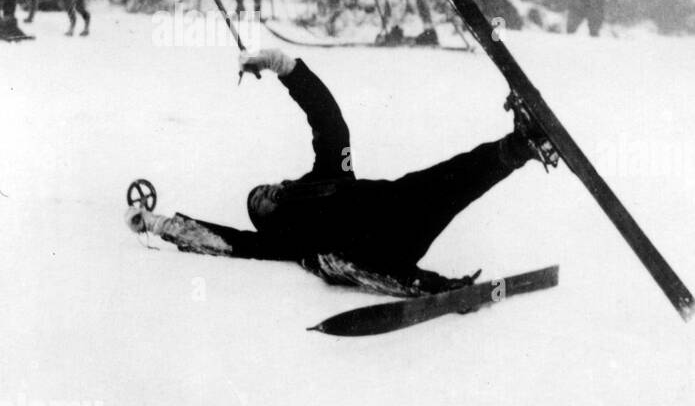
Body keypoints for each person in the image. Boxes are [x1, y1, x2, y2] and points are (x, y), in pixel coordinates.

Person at [126, 48, 557, 294]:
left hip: (401, 209)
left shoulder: (328, 176)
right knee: (333, 260)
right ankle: (433, 286)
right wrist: (159, 224)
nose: (268, 195)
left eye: (265, 189)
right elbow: (226, 242)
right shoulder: (282, 241)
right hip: (368, 253)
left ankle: (521, 144)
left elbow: (329, 121)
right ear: (265, 218)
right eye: (260, 203)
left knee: (451, 179)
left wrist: (284, 65)